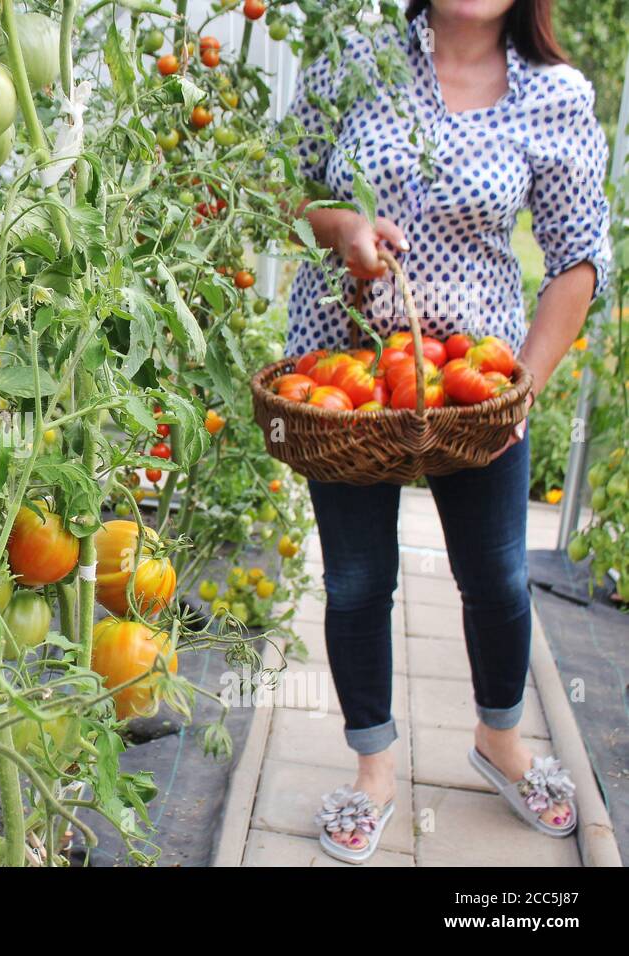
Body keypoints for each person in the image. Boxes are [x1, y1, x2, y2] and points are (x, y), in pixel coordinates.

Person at [288, 0, 610, 863]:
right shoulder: (357, 60)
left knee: (500, 579)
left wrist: (524, 388)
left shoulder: (556, 93)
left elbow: (577, 258)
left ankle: (500, 741)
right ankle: (373, 772)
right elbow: (295, 185)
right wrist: (345, 227)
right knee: (357, 582)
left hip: (476, 385)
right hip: (347, 382)